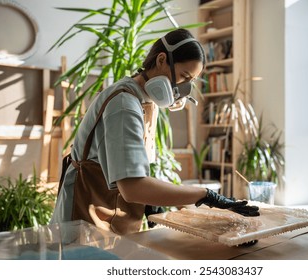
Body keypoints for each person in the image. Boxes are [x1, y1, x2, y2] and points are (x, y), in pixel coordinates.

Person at [50, 28, 259, 234]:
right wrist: (205, 195)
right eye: (184, 77)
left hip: (108, 214)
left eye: (191, 82)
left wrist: (152, 200)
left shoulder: (144, 100)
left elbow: (135, 165)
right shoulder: (124, 104)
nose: (184, 90)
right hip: (85, 218)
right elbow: (132, 188)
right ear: (161, 60)